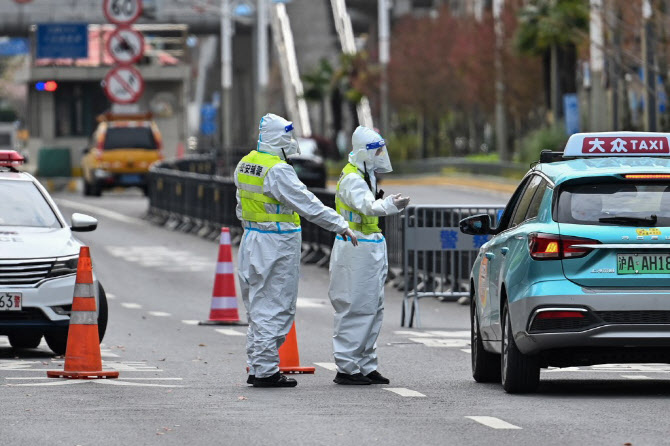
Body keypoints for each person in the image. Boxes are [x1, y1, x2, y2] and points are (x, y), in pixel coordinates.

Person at [235, 113, 358, 388]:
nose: (292, 142)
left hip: (252, 239)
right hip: (276, 244)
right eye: (288, 136)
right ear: (278, 138)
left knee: (258, 306)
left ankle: (259, 366)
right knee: (275, 306)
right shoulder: (277, 170)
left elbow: (242, 206)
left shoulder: (247, 163)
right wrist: (340, 224)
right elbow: (307, 203)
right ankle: (266, 371)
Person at [329, 126, 410, 385]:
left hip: (368, 243)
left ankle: (365, 364)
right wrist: (390, 205)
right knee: (356, 306)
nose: (381, 155)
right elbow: (367, 205)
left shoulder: (366, 175)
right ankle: (347, 367)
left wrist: (388, 203)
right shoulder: (354, 178)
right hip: (356, 245)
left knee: (373, 307)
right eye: (377, 150)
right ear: (365, 151)